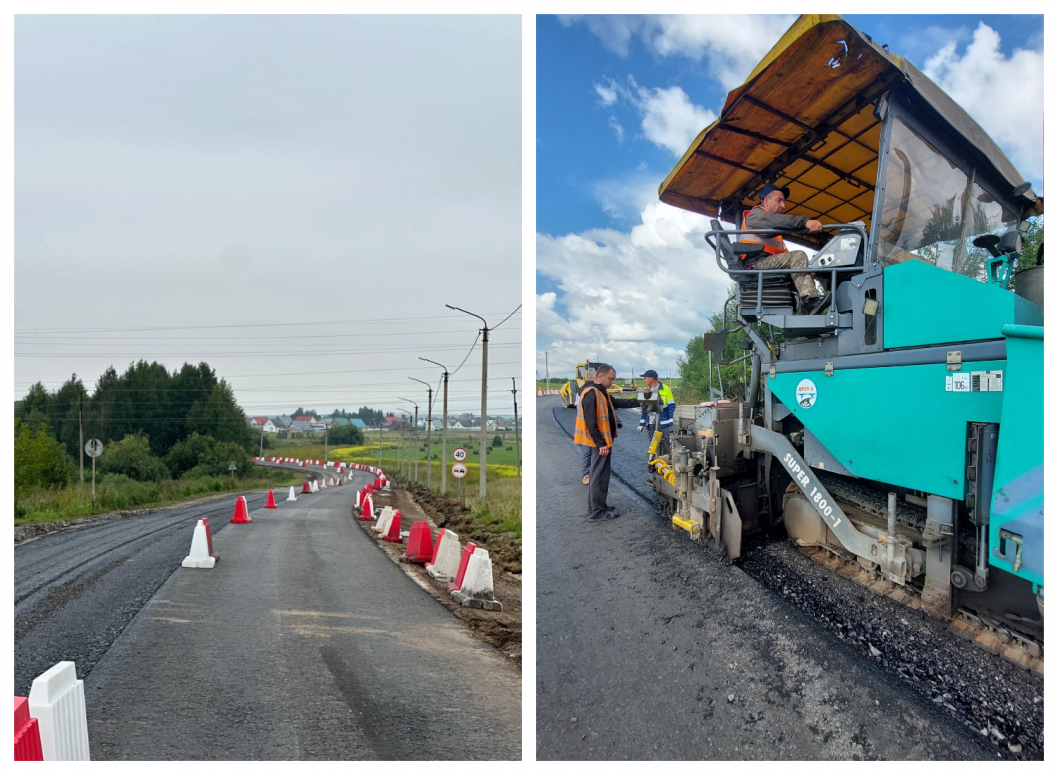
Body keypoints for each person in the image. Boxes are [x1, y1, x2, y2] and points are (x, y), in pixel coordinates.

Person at [741, 183, 827, 311]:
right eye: (779, 200)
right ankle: (810, 302)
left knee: (801, 264)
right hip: (755, 264)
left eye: (783, 202)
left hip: (768, 263)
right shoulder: (755, 216)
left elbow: (787, 258)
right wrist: (805, 222)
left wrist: (807, 271)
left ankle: (808, 310)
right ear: (766, 201)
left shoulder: (773, 228)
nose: (783, 206)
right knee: (798, 255)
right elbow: (776, 221)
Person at [574, 363, 643, 521]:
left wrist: (641, 400)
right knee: (599, 476)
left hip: (601, 441)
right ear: (600, 376)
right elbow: (591, 422)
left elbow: (618, 403)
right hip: (598, 443)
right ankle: (597, 512)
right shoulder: (591, 393)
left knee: (598, 475)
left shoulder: (601, 391)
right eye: (610, 379)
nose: (612, 382)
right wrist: (601, 444)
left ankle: (596, 507)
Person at [574, 369, 595, 485]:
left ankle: (592, 474)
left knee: (592, 452)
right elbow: (580, 408)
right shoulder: (583, 391)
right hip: (585, 427)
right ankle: (586, 474)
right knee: (587, 452)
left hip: (592, 426)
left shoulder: (596, 390)